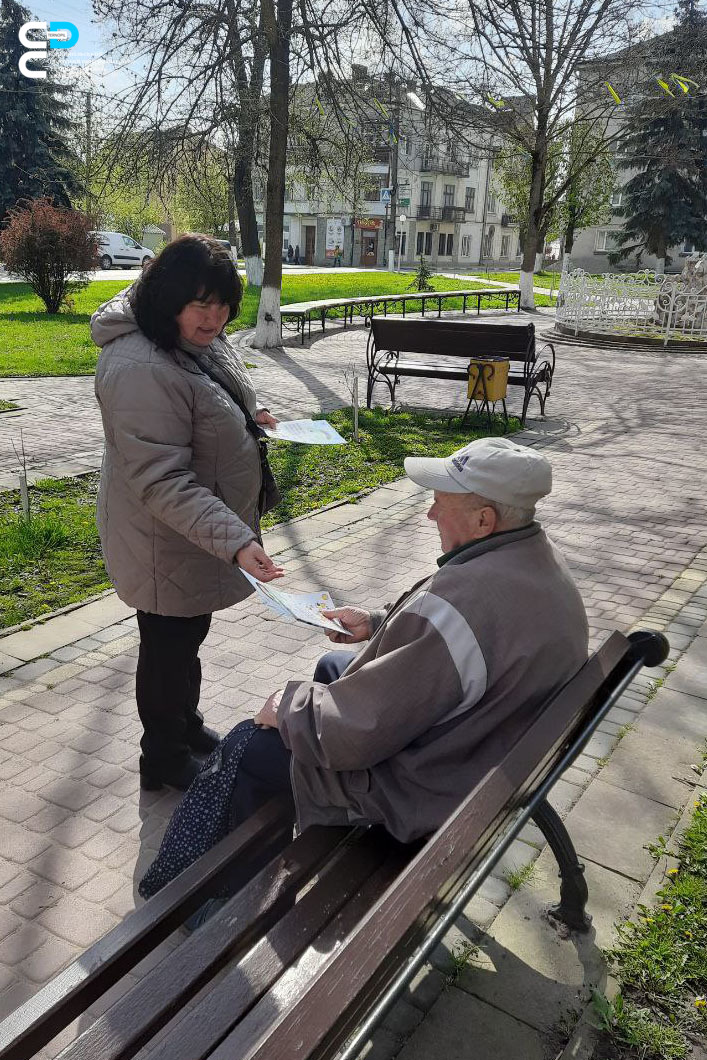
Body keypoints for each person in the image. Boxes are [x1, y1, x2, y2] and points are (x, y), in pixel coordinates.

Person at [140, 437, 588, 904]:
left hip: (433, 781)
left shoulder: (465, 599)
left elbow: (361, 728)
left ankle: (230, 902)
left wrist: (288, 709)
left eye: (440, 504)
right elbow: (442, 644)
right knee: (334, 665)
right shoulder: (534, 558)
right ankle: (297, 833)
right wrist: (377, 624)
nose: (431, 515)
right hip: (490, 745)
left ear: (483, 520)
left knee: (250, 746)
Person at [92, 234, 284, 792]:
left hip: (192, 535)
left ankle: (187, 725)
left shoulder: (188, 338)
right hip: (162, 536)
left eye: (225, 304)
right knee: (167, 646)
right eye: (202, 303)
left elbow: (209, 394)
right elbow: (162, 478)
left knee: (186, 635)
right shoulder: (138, 367)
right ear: (169, 296)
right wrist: (236, 540)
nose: (216, 316)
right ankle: (163, 759)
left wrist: (250, 416)